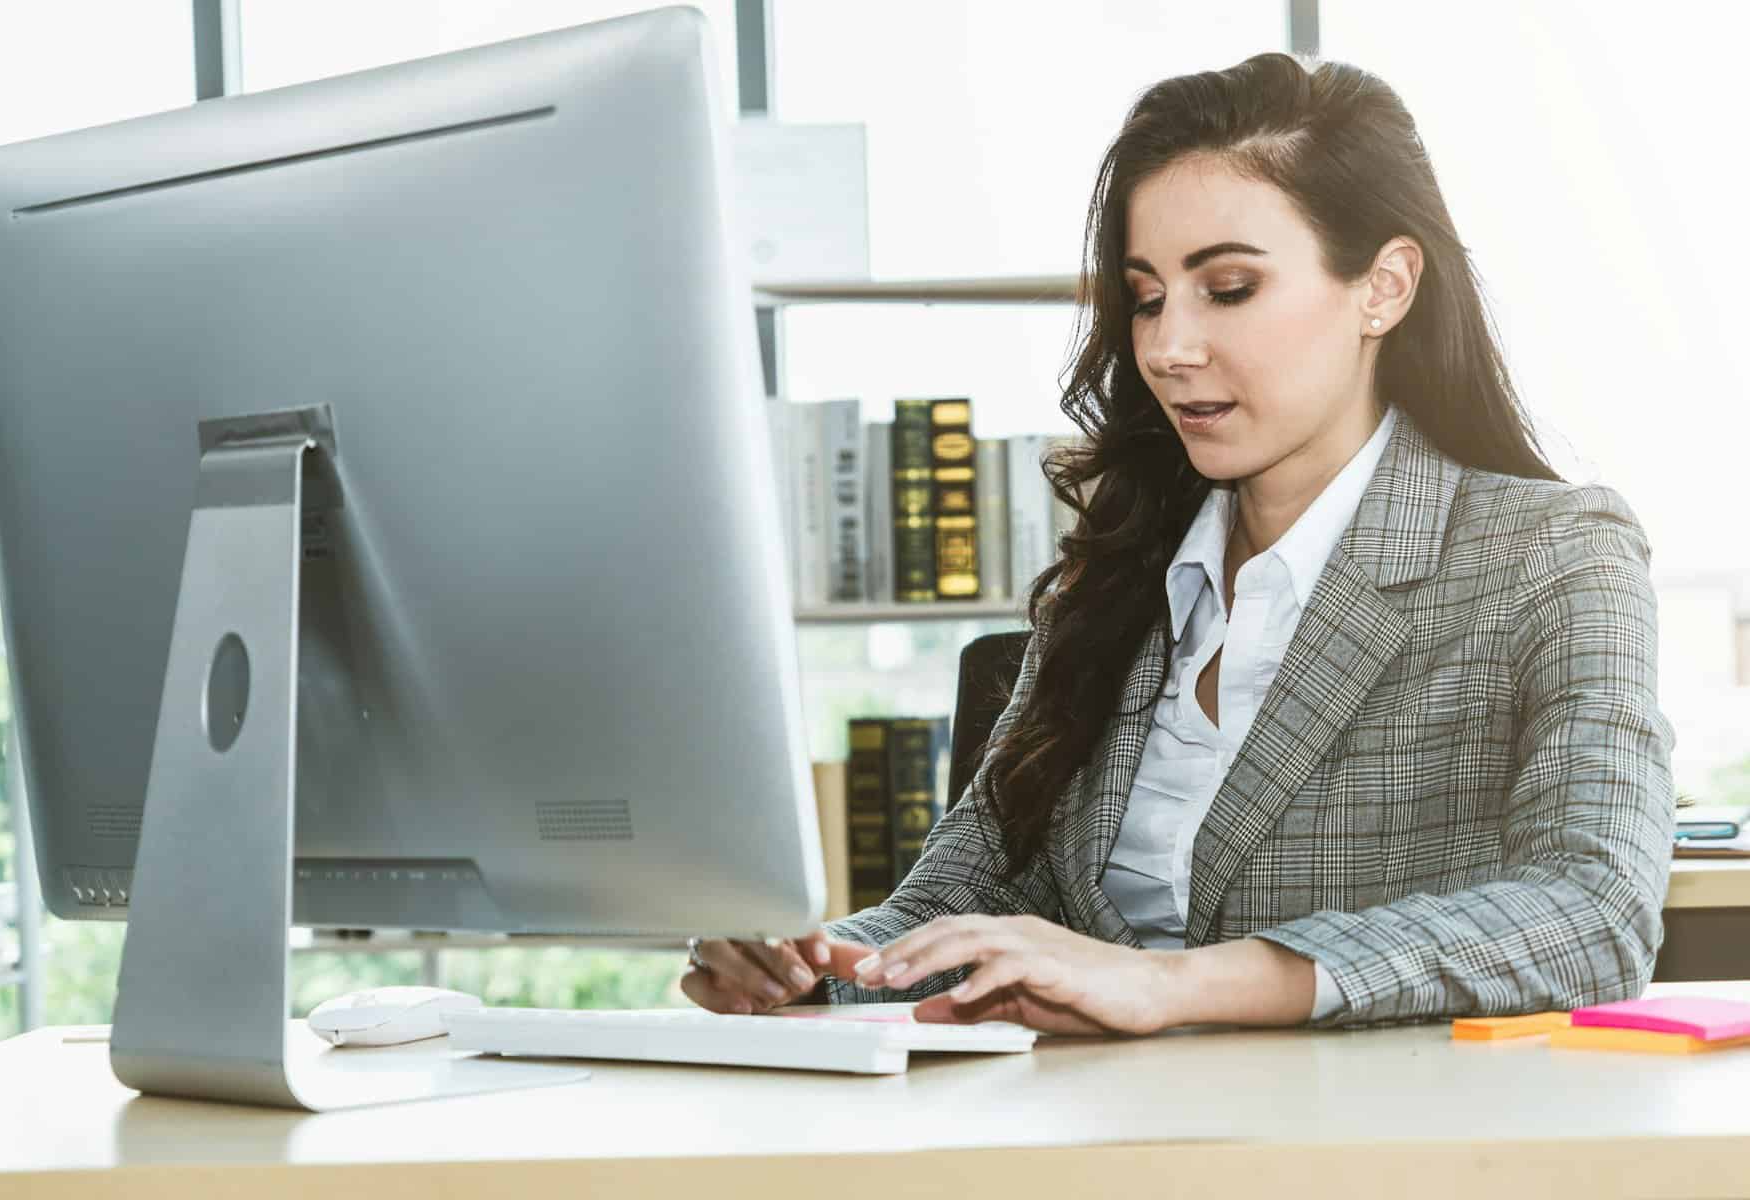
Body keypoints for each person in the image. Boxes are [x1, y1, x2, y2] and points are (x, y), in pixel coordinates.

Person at [682, 51, 1676, 1033]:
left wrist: (1171, 985)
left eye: (1229, 287)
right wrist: (810, 967)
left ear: (1382, 287)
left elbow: (1591, 910)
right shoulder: (1113, 582)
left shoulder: (1547, 558)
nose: (1164, 347)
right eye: (1147, 295)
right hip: (1073, 1149)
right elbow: (942, 907)